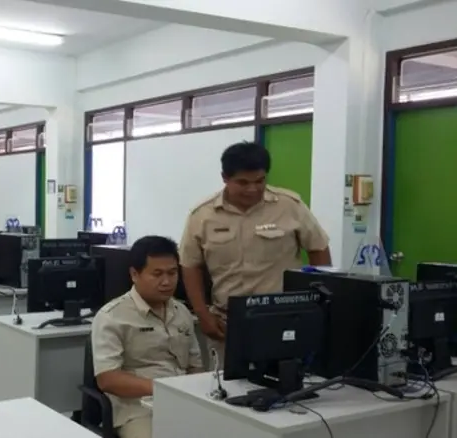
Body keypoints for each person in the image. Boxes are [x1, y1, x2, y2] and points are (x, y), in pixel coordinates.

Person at [179, 141, 331, 363]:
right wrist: (202, 314)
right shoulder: (202, 215)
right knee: (228, 381)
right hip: (228, 321)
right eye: (243, 182)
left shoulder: (289, 206)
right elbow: (190, 266)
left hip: (284, 316)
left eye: (259, 181)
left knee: (288, 378)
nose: (252, 189)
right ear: (225, 178)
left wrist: (316, 303)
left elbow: (318, 248)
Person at [92, 235, 201, 438]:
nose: (167, 281)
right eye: (157, 274)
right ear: (135, 274)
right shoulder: (112, 316)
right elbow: (108, 379)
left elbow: (195, 366)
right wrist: (165, 389)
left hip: (183, 401)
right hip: (137, 409)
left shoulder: (182, 312)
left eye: (172, 273)